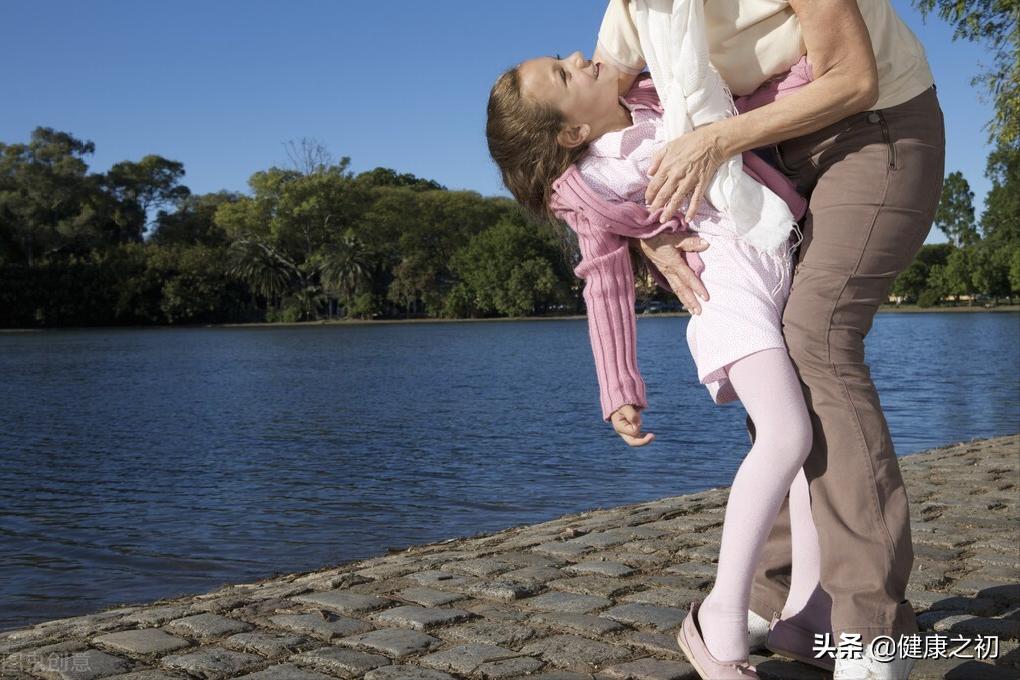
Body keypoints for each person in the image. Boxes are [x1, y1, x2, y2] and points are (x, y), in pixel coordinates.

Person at [595, 1, 946, 678]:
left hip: (871, 127)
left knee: (818, 336)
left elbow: (851, 78)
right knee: (777, 356)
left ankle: (871, 627)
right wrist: (641, 232)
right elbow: (582, 121)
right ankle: (782, 593)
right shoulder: (635, 6)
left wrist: (715, 141)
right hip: (762, 172)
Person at [486, 49, 831, 679]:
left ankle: (806, 616)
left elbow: (739, 105)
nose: (577, 56)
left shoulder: (656, 92)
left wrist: (809, 72)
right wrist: (619, 384)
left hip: (777, 262)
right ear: (571, 133)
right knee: (787, 436)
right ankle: (720, 618)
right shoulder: (591, 185)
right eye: (563, 74)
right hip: (723, 292)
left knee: (810, 458)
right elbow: (605, 285)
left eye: (562, 58)